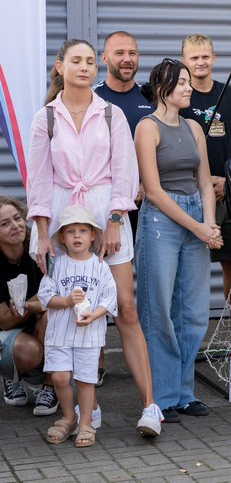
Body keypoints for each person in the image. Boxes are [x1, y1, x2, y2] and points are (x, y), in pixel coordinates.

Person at [27, 39, 161, 436]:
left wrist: (117, 220)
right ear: (59, 66)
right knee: (71, 309)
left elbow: (125, 171)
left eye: (89, 61)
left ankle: (149, 406)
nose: (84, 67)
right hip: (63, 217)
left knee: (124, 308)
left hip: (105, 211)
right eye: (76, 61)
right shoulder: (45, 118)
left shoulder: (112, 115)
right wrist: (41, 234)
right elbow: (38, 179)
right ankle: (88, 409)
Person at [135, 58, 223, 423]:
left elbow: (205, 182)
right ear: (162, 88)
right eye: (182, 82)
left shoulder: (194, 128)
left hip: (194, 218)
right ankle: (163, 397)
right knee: (159, 313)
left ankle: (184, 393)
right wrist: (198, 227)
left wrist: (210, 224)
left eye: (189, 81)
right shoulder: (146, 128)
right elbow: (152, 191)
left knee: (193, 312)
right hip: (162, 221)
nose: (189, 87)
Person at [179, 35, 231, 345]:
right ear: (184, 61)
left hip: (227, 191)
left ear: (214, 58)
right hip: (192, 192)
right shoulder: (179, 96)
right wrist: (203, 182)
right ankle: (189, 329)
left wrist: (227, 179)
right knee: (192, 264)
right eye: (194, 58)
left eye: (205, 56)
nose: (200, 62)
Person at [93, 30, 153, 384]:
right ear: (105, 58)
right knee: (96, 288)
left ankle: (149, 365)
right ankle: (95, 365)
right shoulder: (95, 99)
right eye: (119, 53)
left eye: (132, 52)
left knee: (138, 296)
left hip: (150, 205)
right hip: (107, 210)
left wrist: (149, 185)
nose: (127, 59)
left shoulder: (149, 97)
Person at [39, 205, 117, 447]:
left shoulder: (100, 266)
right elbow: (45, 296)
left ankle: (85, 422)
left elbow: (110, 296)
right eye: (70, 231)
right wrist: (66, 301)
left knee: (85, 380)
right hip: (59, 334)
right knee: (61, 378)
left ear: (93, 235)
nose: (77, 236)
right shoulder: (57, 265)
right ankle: (68, 416)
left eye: (83, 230)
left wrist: (95, 315)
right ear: (62, 237)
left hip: (89, 335)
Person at [0, 196, 53, 413]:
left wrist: (30, 305)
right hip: (9, 332)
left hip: (38, 323)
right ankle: (11, 376)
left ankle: (52, 386)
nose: (15, 226)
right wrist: (40, 300)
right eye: (5, 224)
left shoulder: (39, 249)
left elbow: (56, 298)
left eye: (17, 218)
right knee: (29, 352)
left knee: (55, 317)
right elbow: (4, 320)